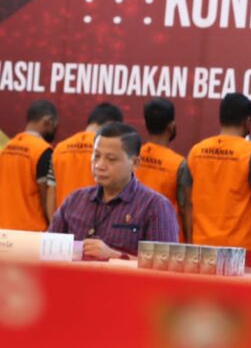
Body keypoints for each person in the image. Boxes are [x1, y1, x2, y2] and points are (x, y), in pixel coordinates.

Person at [48, 122, 179, 258]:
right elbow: (48, 251)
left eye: (111, 159)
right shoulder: (75, 200)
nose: (99, 165)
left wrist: (114, 256)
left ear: (135, 163)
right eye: (96, 156)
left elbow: (164, 265)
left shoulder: (155, 206)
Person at [183, 93, 251, 252]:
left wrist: (190, 242)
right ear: (247, 121)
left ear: (221, 118)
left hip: (201, 246)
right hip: (241, 249)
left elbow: (188, 204)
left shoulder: (195, 152)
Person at [49, 102, 123, 215]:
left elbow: (51, 192)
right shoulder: (109, 151)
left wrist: (55, 223)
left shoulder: (59, 149)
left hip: (64, 221)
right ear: (111, 125)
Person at [0, 100, 58, 231]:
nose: (55, 130)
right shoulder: (43, 150)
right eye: (55, 125)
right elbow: (46, 197)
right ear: (48, 121)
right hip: (32, 231)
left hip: (3, 230)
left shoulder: (6, 148)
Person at [137, 98, 188, 239]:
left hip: (133, 234)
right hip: (165, 237)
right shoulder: (179, 163)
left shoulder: (132, 156)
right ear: (171, 126)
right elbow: (184, 209)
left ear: (145, 124)